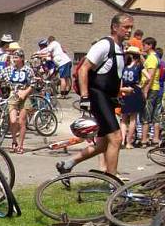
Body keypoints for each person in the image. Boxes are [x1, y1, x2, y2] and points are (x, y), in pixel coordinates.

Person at [56, 12, 132, 177]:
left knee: (103, 144)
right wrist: (84, 97)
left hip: (109, 98)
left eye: (131, 27)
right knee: (117, 138)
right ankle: (113, 181)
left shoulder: (120, 48)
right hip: (98, 97)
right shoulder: (104, 45)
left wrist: (120, 91)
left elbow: (110, 76)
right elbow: (84, 69)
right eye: (126, 27)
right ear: (114, 27)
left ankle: (67, 164)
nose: (129, 30)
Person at [6, 49, 33, 154]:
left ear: (22, 58)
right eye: (13, 57)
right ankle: (14, 140)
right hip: (13, 96)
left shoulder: (28, 70)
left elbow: (33, 84)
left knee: (21, 121)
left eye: (16, 57)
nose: (14, 59)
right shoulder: (9, 70)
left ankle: (20, 145)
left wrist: (25, 92)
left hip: (24, 97)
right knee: (13, 121)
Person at [119, 46, 144, 149]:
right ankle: (129, 142)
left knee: (124, 118)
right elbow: (148, 77)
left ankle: (122, 141)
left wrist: (120, 90)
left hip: (124, 90)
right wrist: (141, 85)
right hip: (134, 90)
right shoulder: (138, 67)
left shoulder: (124, 66)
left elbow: (120, 80)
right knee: (133, 118)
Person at [140, 37, 161, 146]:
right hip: (156, 88)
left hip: (151, 89)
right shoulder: (153, 57)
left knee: (146, 115)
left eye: (144, 45)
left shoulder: (152, 58)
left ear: (150, 46)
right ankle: (155, 139)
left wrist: (145, 91)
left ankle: (144, 140)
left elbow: (150, 76)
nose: (142, 47)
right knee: (155, 115)